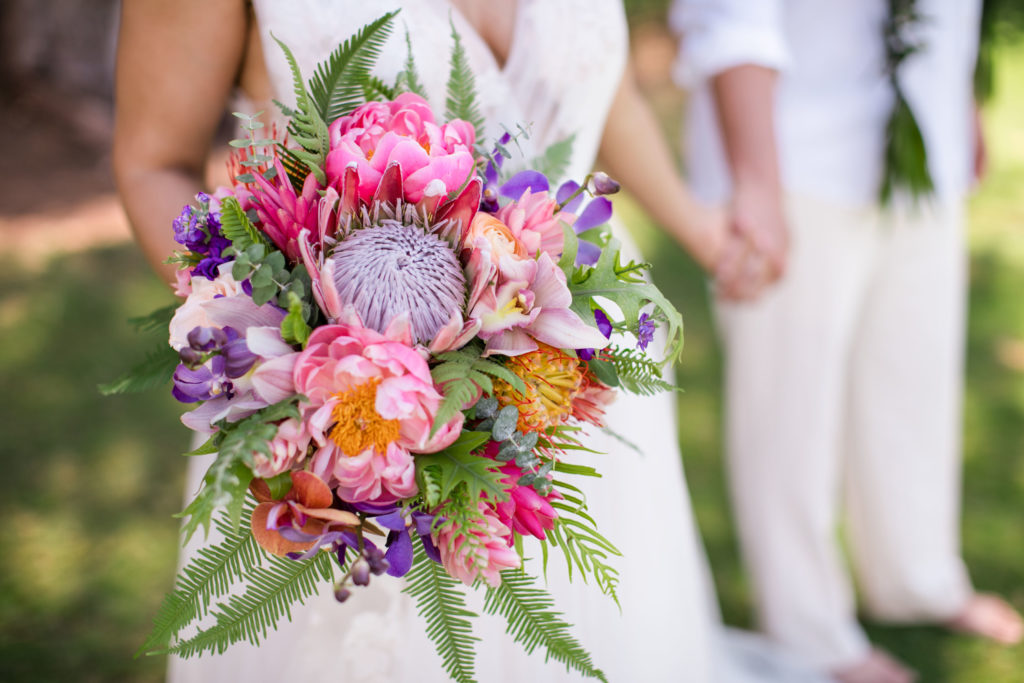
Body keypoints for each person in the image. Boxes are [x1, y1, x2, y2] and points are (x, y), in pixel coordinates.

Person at [114, 1, 827, 681]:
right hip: (353, 423)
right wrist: (292, 356)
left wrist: (700, 228)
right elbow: (155, 159)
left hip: (580, 371)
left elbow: (596, 89)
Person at [670, 1, 1024, 681]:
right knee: (791, 409)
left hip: (923, 142)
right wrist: (756, 182)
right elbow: (729, 13)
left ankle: (917, 577)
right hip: (797, 146)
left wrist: (957, 102)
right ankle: (810, 630)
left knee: (913, 378)